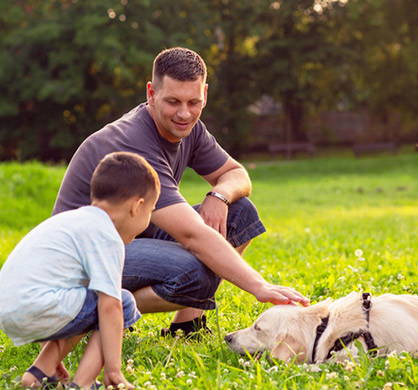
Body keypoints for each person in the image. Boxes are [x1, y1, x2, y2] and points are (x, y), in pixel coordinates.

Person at [53, 47, 308, 337]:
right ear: (151, 92)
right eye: (173, 101)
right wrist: (260, 287)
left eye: (193, 102)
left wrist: (220, 195)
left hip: (134, 234)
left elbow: (236, 175)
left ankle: (187, 326)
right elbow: (192, 236)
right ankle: (102, 314)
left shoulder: (190, 128)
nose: (184, 113)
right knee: (192, 271)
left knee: (241, 213)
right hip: (84, 259)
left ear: (205, 95)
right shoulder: (134, 140)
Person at [0, 152, 159, 389]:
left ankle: (40, 373)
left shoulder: (74, 221)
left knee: (86, 301)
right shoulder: (106, 234)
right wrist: (113, 369)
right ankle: (83, 383)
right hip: (38, 305)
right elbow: (110, 306)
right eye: (151, 211)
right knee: (122, 302)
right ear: (138, 206)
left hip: (11, 308)